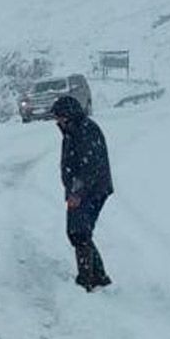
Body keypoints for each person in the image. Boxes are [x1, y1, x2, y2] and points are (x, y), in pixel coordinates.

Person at [51, 95, 114, 291]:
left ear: (69, 115)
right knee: (80, 233)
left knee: (78, 232)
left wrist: (76, 193)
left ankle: (87, 279)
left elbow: (90, 166)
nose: (57, 121)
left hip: (90, 191)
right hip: (85, 190)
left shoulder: (85, 131)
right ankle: (98, 276)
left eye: (60, 117)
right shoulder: (73, 130)